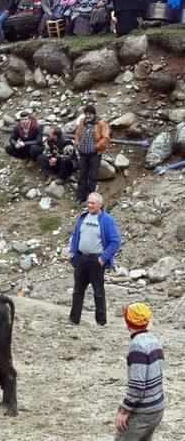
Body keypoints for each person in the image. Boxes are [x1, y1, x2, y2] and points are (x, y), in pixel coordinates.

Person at [67, 192, 121, 326]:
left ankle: (101, 322)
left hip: (96, 261)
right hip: (81, 258)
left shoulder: (106, 219)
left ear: (100, 205)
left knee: (98, 292)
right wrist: (72, 251)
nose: (89, 205)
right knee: (77, 291)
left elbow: (116, 241)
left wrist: (104, 257)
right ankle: (74, 319)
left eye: (93, 203)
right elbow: (75, 235)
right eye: (88, 202)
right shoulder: (83, 217)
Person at [115, 303, 166, 441]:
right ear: (148, 321)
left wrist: (124, 410)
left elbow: (137, 387)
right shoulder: (154, 341)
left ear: (127, 322)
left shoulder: (137, 346)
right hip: (157, 408)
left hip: (143, 412)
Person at [75, 105, 110, 204]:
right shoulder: (82, 122)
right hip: (83, 153)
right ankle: (80, 197)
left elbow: (106, 138)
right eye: (86, 114)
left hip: (95, 154)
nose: (87, 116)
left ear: (94, 114)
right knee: (82, 175)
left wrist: (96, 146)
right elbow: (77, 135)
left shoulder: (101, 123)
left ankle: (90, 200)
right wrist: (78, 144)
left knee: (93, 176)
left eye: (89, 114)